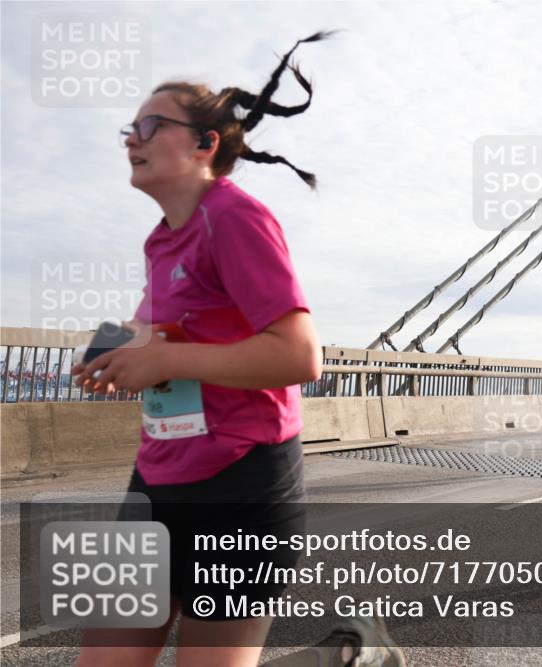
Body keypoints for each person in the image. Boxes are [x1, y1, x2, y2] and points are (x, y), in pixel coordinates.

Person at [69, 32, 397, 667]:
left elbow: (301, 356)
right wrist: (121, 355)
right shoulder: (161, 239)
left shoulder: (236, 216)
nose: (131, 138)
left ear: (204, 144)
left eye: (149, 124)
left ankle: (353, 655)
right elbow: (168, 333)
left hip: (240, 483)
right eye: (128, 130)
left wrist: (165, 360)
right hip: (156, 479)